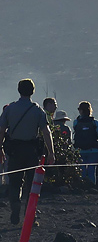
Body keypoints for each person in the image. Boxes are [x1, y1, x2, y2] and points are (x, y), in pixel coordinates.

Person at [0, 79, 55, 224]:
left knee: (14, 182)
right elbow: (46, 131)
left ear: (19, 90)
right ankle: (29, 215)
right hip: (31, 151)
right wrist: (51, 152)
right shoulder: (37, 110)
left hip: (14, 150)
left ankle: (15, 206)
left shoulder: (9, 109)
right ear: (33, 91)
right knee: (32, 185)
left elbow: (1, 130)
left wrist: (0, 148)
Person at [72, 102, 98, 185]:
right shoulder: (95, 123)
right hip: (93, 150)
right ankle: (92, 187)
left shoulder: (76, 122)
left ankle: (82, 187)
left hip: (79, 150)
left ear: (81, 111)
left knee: (81, 170)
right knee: (91, 170)